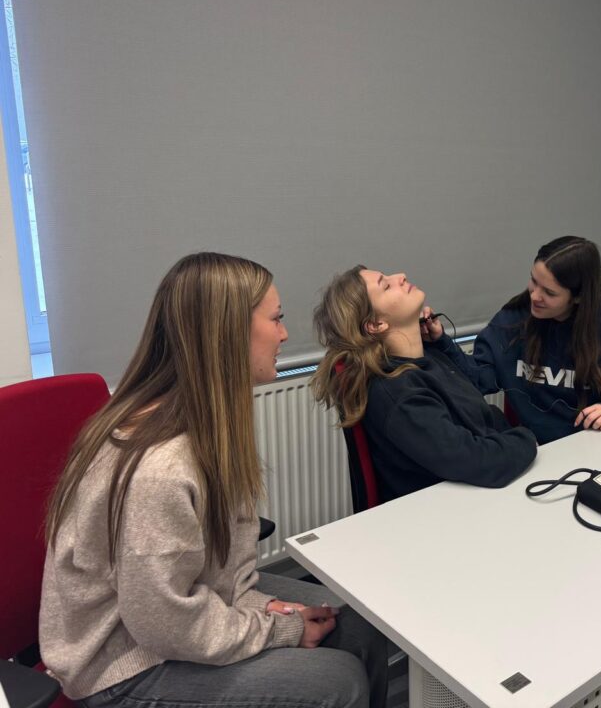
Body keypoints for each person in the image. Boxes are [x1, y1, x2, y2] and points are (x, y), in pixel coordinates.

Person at [40, 252, 387, 708]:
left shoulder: (207, 426)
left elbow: (222, 568)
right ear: (229, 334)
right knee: (337, 681)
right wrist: (278, 628)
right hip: (122, 664)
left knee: (360, 626)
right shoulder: (160, 469)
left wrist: (260, 611)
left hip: (180, 611)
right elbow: (164, 624)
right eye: (276, 319)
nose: (284, 334)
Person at [426, 236, 601, 444]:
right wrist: (440, 341)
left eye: (549, 293)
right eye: (533, 281)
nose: (534, 296)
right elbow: (478, 378)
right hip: (534, 452)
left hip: (598, 447)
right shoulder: (514, 318)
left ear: (578, 297)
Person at [310, 265, 537, 503]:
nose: (401, 276)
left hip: (481, 493)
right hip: (448, 510)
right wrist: (527, 438)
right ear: (376, 325)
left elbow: (482, 417)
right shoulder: (397, 393)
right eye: (386, 285)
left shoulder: (428, 357)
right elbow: (472, 460)